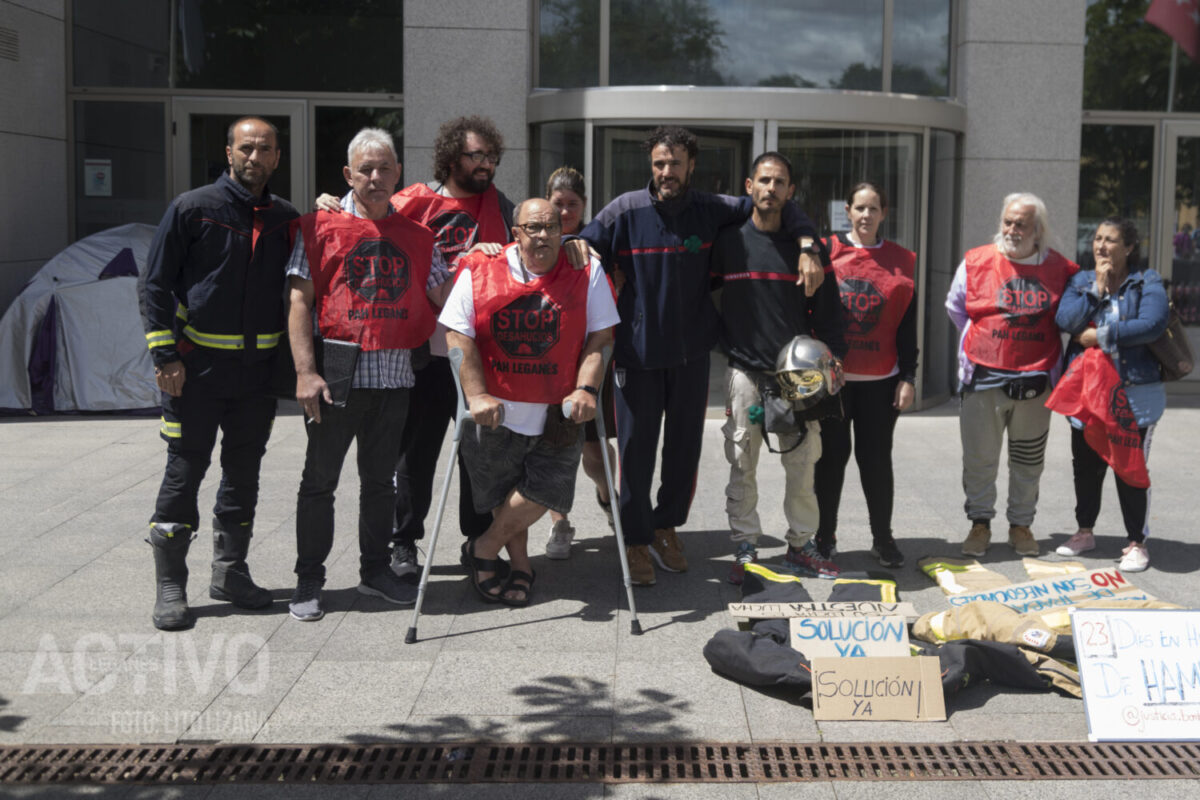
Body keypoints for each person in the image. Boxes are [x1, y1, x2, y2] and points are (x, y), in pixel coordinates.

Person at [581, 126, 824, 587]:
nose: (666, 172)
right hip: (637, 355)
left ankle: (665, 526)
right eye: (658, 164)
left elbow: (776, 205)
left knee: (682, 452)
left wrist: (809, 245)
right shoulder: (625, 210)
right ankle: (634, 540)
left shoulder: (714, 210)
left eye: (674, 163)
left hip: (692, 354)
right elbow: (585, 246)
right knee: (634, 454)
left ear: (691, 165)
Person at [138, 116, 297, 631]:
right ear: (229, 153)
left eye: (265, 148)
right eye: (246, 147)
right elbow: (155, 286)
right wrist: (166, 357)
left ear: (277, 157)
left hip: (255, 381)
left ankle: (230, 572)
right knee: (184, 472)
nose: (256, 156)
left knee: (243, 476)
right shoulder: (192, 208)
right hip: (195, 374)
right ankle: (171, 585)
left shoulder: (286, 218)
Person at [286, 128, 451, 622]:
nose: (376, 177)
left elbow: (449, 299)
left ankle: (375, 571)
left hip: (395, 377)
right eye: (365, 169)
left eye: (385, 168)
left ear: (399, 173)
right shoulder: (319, 227)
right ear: (348, 175)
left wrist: (496, 260)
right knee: (320, 481)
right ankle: (309, 579)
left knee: (381, 483)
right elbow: (299, 300)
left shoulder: (420, 239)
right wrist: (305, 373)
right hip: (335, 374)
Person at [441, 198, 618, 605]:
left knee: (546, 490)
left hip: (559, 412)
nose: (542, 236)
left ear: (563, 230)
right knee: (503, 494)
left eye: (550, 227)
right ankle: (521, 566)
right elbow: (457, 334)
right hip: (496, 412)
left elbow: (600, 336)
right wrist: (476, 394)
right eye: (532, 228)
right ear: (515, 233)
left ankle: (482, 549)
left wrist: (587, 389)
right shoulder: (481, 268)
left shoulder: (585, 269)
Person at [712, 152, 846, 584]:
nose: (771, 188)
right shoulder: (728, 241)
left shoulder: (807, 250)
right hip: (746, 373)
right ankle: (746, 548)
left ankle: (802, 547)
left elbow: (828, 313)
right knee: (742, 463)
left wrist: (834, 360)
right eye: (764, 180)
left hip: (798, 379)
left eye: (780, 182)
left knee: (803, 467)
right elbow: (702, 295)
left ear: (791, 192)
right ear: (749, 186)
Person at [945, 193, 1079, 557]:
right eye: (1008, 222)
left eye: (1021, 224)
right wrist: (985, 341)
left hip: (1036, 384)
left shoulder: (1063, 270)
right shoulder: (975, 262)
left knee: (1028, 462)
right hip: (983, 381)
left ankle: (1021, 526)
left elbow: (1074, 316)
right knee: (979, 460)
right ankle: (980, 524)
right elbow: (956, 307)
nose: (1012, 230)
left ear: (1038, 230)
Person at [1054, 217, 1167, 572]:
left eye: (1111, 240)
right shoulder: (1081, 281)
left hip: (1134, 393)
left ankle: (1137, 542)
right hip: (1088, 395)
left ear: (1129, 247)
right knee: (1086, 467)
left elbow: (1151, 324)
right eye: (1098, 238)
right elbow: (1065, 320)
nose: (1101, 246)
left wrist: (1099, 336)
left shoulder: (1146, 281)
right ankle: (1084, 531)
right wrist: (1096, 291)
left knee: (1130, 469)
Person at [814, 182, 917, 569]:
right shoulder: (826, 251)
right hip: (834, 382)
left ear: (884, 213)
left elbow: (907, 326)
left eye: (873, 208)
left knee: (875, 461)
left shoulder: (900, 260)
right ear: (847, 210)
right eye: (859, 208)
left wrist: (909, 376)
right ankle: (825, 535)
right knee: (830, 460)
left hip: (881, 381)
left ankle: (882, 538)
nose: (865, 215)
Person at [542, 166, 619, 559]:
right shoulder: (532, 241)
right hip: (547, 360)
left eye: (573, 204)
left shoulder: (594, 245)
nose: (565, 210)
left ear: (584, 206)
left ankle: (609, 499)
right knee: (555, 448)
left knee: (592, 449)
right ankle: (560, 523)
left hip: (588, 360)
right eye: (559, 203)